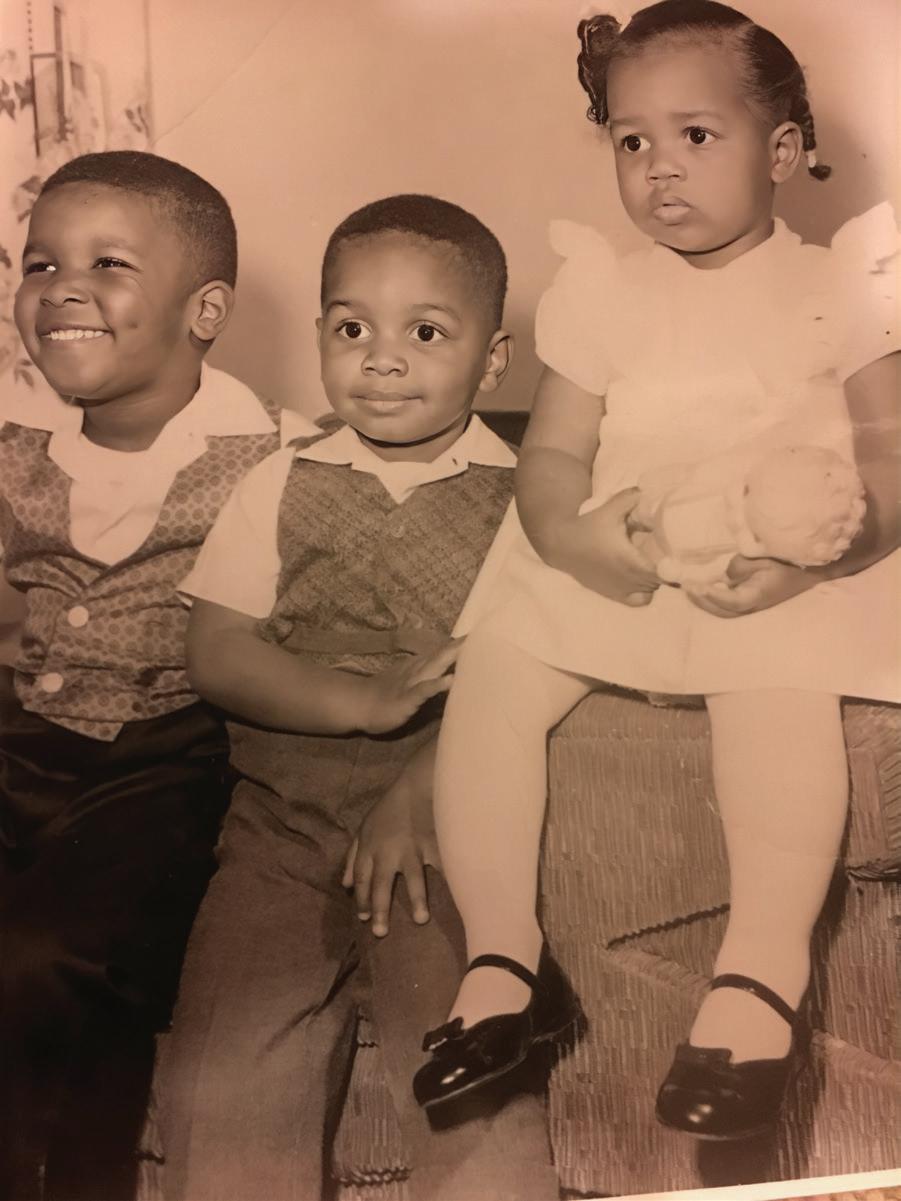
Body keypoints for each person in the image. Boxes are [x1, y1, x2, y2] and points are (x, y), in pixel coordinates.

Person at [415, 0, 900, 1145]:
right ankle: (502, 960)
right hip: (626, 542)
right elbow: (551, 457)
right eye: (631, 140)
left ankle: (757, 980)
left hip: (777, 555)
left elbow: (891, 456)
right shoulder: (603, 289)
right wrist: (571, 537)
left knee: (774, 686)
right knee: (496, 669)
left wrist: (813, 564)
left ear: (781, 150)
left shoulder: (837, 285)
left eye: (695, 135)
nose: (658, 167)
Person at [161, 194, 559, 1201]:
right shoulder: (278, 482)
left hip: (446, 831)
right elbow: (219, 650)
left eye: (424, 333)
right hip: (279, 829)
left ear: (492, 360)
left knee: (468, 1078)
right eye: (351, 329)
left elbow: (525, 676)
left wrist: (420, 786)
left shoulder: (525, 503)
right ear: (320, 339)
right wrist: (365, 702)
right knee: (228, 1075)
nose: (381, 360)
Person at [0, 149, 307, 1201]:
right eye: (40, 263)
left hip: (167, 770)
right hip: (21, 749)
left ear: (204, 309)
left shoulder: (280, 458)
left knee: (46, 956)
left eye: (109, 263)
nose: (62, 288)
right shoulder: (16, 451)